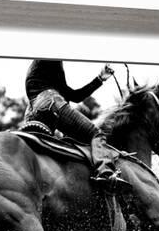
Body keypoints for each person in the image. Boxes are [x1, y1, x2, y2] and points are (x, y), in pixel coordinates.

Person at [23, 59, 131, 193]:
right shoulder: (50, 58)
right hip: (49, 101)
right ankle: (106, 174)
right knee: (96, 134)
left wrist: (100, 79)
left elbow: (74, 96)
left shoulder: (40, 71)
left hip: (32, 111)